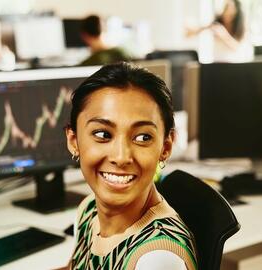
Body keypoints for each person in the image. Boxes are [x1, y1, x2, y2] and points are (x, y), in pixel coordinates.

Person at [64, 62, 198, 269]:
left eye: (143, 137)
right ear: (74, 141)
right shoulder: (89, 209)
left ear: (166, 146)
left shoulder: (155, 259)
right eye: (103, 134)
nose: (121, 157)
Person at [186, 0, 253, 62]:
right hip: (217, 63)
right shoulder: (217, 23)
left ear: (236, 11)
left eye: (231, 8)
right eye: (226, 8)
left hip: (235, 63)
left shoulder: (241, 28)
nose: (227, 12)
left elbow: (238, 49)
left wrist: (224, 35)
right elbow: (189, 34)